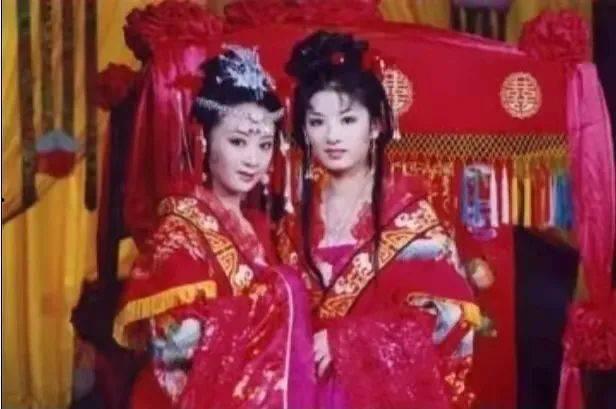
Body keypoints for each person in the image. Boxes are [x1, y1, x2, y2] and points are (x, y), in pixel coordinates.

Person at [277, 30, 480, 409]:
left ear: (375, 126)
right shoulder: (293, 223)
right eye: (317, 122)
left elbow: (450, 319)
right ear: (304, 130)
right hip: (303, 391)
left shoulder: (411, 218)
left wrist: (347, 341)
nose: (332, 136)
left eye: (347, 120)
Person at [114, 45, 315, 409]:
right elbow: (171, 349)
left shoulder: (264, 228)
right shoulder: (179, 230)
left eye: (264, 145)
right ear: (205, 140)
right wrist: (269, 307)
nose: (253, 159)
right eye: (238, 142)